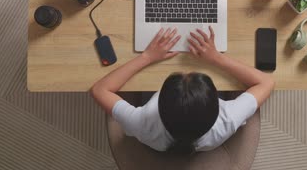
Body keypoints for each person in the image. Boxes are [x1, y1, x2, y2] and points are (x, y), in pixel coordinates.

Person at [91, 26, 274, 153]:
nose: (187, 69)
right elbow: (267, 82)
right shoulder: (227, 120)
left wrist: (146, 57)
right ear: (216, 107)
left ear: (160, 105)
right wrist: (216, 58)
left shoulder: (141, 124)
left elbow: (100, 90)